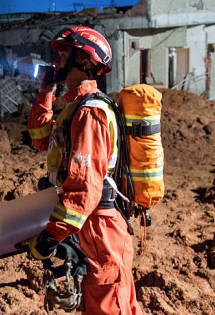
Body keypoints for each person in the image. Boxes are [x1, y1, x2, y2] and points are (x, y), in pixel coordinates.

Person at [22, 27, 142, 315]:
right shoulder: (74, 108)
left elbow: (85, 188)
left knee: (108, 304)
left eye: (66, 52)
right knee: (99, 300)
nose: (57, 59)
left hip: (99, 226)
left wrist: (50, 237)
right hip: (88, 224)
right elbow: (40, 137)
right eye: (58, 52)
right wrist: (46, 91)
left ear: (87, 62)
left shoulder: (91, 112)